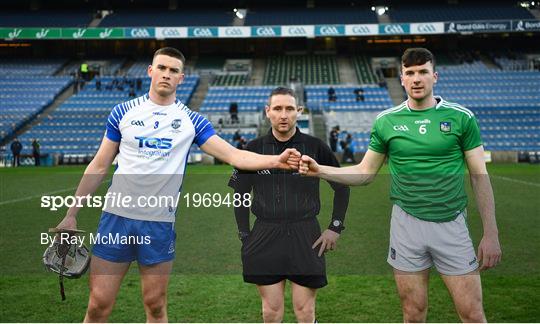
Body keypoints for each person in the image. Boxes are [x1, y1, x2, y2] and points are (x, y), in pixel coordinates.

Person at [54, 47, 301, 323]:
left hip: (159, 224)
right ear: (151, 71)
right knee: (98, 304)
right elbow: (99, 166)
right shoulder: (122, 112)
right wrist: (71, 214)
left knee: (156, 305)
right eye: (162, 68)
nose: (166, 74)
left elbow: (234, 155)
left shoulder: (191, 121)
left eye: (173, 71)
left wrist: (276, 160)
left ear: (181, 78)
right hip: (116, 220)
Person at [299, 48, 501, 322]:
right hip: (406, 226)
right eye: (410, 73)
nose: (416, 79)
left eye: (422, 72)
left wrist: (491, 234)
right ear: (402, 79)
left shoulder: (461, 118)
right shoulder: (387, 121)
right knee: (413, 314)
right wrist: (320, 170)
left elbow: (480, 176)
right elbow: (365, 172)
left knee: (473, 314)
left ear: (435, 76)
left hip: (451, 224)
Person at [228, 87, 350, 323]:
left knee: (305, 312)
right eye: (277, 108)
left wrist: (335, 227)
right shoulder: (252, 150)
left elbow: (342, 187)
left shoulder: (316, 147)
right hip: (265, 233)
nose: (283, 115)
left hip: (306, 233)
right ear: (268, 112)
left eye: (289, 108)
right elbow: (240, 195)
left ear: (299, 111)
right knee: (271, 313)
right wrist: (245, 234)